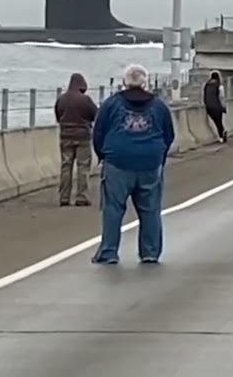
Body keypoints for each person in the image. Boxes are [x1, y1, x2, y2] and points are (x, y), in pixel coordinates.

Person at [91, 64, 175, 265]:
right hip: (150, 163)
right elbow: (169, 134)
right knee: (150, 209)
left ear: (124, 83)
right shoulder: (159, 106)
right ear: (145, 83)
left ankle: (109, 252)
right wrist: (159, 157)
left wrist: (103, 155)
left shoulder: (111, 104)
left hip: (117, 162)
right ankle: (150, 252)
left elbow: (98, 132)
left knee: (113, 208)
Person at [54, 73, 98, 207]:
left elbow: (58, 116)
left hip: (65, 137)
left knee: (66, 167)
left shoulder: (61, 99)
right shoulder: (85, 100)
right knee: (83, 167)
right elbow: (95, 115)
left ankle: (64, 197)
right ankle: (81, 197)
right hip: (83, 137)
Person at [202, 71, 227, 144]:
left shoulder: (206, 85)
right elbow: (221, 97)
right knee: (219, 121)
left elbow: (204, 96)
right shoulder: (219, 85)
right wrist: (223, 107)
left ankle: (221, 133)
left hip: (208, 106)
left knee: (214, 122)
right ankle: (222, 135)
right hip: (217, 106)